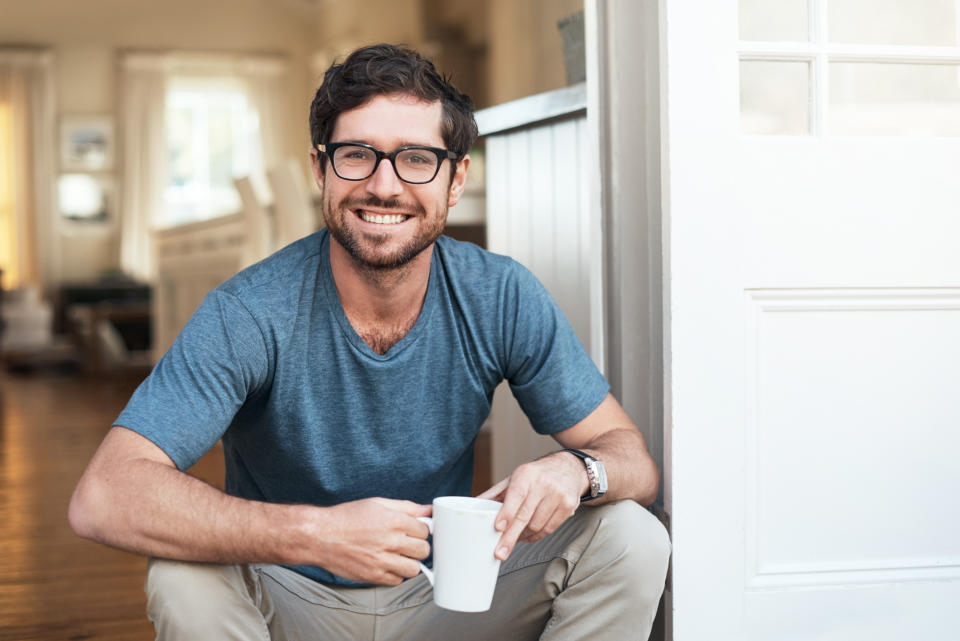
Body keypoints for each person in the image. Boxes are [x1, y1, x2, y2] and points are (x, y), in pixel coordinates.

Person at [69, 43, 670, 640]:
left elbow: (631, 461)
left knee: (631, 535)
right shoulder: (247, 312)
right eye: (357, 155)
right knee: (180, 572)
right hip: (287, 603)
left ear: (456, 178)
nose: (385, 186)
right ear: (320, 169)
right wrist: (317, 535)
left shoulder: (500, 294)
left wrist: (576, 470)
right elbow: (104, 495)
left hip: (444, 599)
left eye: (416, 159)